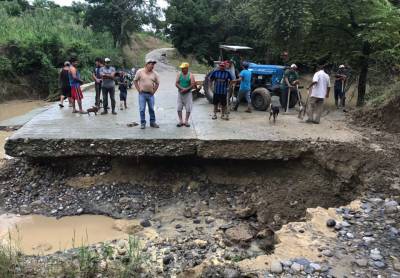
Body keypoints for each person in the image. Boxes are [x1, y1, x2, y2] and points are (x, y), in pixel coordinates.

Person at [134, 59, 160, 129]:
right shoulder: (140, 72)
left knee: (151, 108)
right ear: (146, 64)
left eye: (153, 64)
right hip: (142, 94)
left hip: (150, 94)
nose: (153, 66)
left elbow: (157, 83)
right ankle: (143, 123)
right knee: (142, 109)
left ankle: (152, 122)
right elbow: (135, 81)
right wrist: (138, 90)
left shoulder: (155, 73)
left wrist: (154, 91)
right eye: (151, 64)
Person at [175, 62, 195, 127]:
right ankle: (181, 121)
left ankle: (186, 121)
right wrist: (182, 88)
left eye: (183, 68)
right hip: (180, 93)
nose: (182, 69)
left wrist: (186, 89)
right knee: (179, 107)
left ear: (187, 68)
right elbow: (176, 83)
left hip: (188, 94)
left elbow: (192, 84)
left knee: (188, 108)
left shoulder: (191, 75)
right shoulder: (179, 74)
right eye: (182, 68)